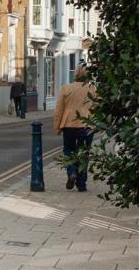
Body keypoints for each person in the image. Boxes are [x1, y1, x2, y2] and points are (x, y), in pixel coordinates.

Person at [53, 64, 95, 192]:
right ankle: (81, 184)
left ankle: (71, 172)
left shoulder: (66, 88)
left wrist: (57, 127)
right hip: (86, 125)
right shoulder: (93, 88)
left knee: (68, 150)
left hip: (69, 124)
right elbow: (98, 107)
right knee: (83, 154)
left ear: (75, 74)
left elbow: (59, 110)